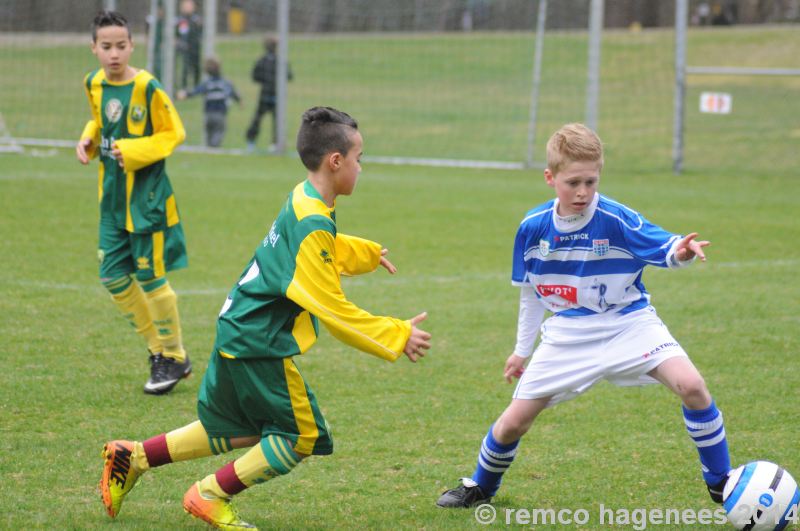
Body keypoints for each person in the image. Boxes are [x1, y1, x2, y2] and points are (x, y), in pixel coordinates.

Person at [99, 107, 432, 529]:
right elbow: (332, 308)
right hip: (258, 341)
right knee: (301, 436)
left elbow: (314, 245)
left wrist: (363, 253)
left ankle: (134, 456)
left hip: (237, 326)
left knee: (237, 425)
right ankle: (208, 494)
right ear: (335, 161)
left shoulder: (304, 196)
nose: (360, 167)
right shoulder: (312, 218)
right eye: (358, 158)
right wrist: (397, 334)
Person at [436, 123, 731, 508]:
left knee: (692, 386)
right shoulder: (532, 228)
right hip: (568, 334)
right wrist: (521, 351)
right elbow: (530, 294)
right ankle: (481, 487)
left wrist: (682, 252)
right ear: (550, 177)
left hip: (629, 322)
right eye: (573, 182)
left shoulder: (615, 218)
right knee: (512, 423)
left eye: (591, 182)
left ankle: (721, 482)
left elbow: (662, 243)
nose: (583, 192)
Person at [76, 11, 192, 395]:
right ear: (94, 48)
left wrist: (135, 150)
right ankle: (159, 351)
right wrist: (89, 139)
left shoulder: (147, 87)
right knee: (111, 275)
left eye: (121, 46)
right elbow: (100, 120)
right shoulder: (93, 84)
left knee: (149, 277)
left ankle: (172, 356)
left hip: (147, 199)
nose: (114, 54)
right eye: (106, 47)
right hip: (110, 199)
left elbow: (174, 132)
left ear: (132, 46)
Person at [177, 58, 241, 148]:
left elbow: (196, 91)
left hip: (208, 114)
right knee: (218, 133)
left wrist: (185, 94)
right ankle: (213, 148)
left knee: (209, 134)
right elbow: (233, 93)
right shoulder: (225, 82)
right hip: (220, 114)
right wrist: (240, 101)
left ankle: (210, 148)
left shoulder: (207, 83)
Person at [245, 36, 293, 152]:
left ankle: (251, 141)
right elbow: (289, 76)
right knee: (278, 120)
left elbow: (255, 76)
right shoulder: (281, 61)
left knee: (258, 118)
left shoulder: (261, 61)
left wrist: (265, 80)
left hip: (265, 94)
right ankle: (276, 143)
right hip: (277, 95)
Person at [176, 0, 202, 90]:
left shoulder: (196, 19)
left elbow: (200, 32)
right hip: (184, 47)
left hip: (195, 47)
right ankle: (184, 86)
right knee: (185, 67)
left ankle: (197, 85)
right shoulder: (180, 20)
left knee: (196, 67)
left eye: (190, 5)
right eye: (186, 5)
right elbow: (177, 33)